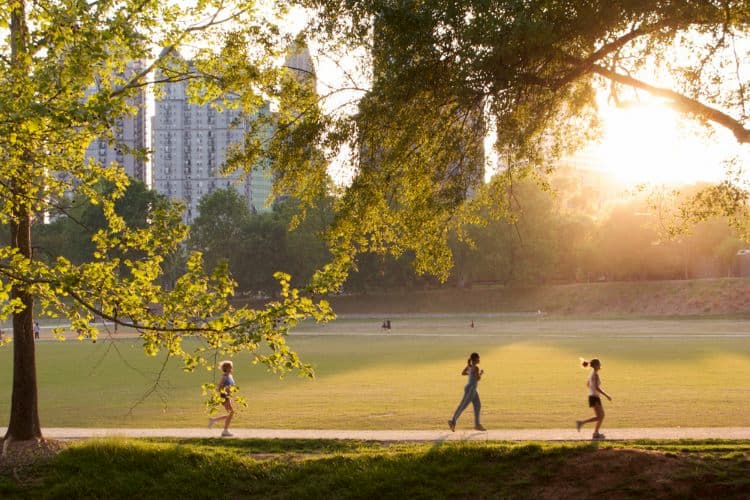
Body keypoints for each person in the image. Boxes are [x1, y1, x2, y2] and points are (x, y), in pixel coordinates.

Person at [576, 358, 612, 439]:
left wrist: (592, 390)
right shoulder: (595, 374)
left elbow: (588, 384)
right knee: (601, 416)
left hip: (593, 396)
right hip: (594, 397)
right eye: (599, 364)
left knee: (601, 416)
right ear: (596, 365)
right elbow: (597, 387)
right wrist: (607, 395)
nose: (600, 366)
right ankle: (584, 424)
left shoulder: (592, 373)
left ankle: (594, 432)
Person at [448, 352, 486, 432]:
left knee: (478, 405)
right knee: (463, 406)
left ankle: (477, 425)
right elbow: (477, 378)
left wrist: (469, 371)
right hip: (471, 389)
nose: (479, 359)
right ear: (475, 359)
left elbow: (463, 373)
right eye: (478, 358)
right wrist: (481, 373)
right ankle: (453, 421)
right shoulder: (476, 368)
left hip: (471, 388)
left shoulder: (470, 366)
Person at [208, 360, 236, 437]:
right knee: (231, 413)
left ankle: (213, 420)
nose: (232, 368)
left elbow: (231, 387)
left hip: (228, 396)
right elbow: (219, 388)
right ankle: (225, 431)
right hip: (224, 396)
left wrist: (230, 395)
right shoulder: (224, 376)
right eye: (230, 367)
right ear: (226, 368)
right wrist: (225, 392)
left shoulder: (230, 376)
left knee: (230, 413)